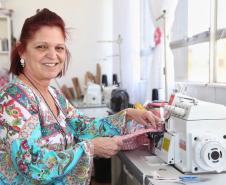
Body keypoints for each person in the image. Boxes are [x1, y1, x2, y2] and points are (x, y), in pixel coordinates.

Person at [0, 8, 159, 185]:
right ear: (22, 51)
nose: (53, 55)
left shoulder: (54, 95)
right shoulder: (14, 98)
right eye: (41, 46)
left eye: (59, 48)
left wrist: (128, 114)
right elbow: (31, 164)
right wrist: (91, 148)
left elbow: (83, 127)